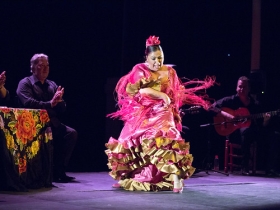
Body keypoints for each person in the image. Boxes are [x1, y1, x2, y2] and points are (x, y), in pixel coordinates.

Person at [105, 35, 215, 192]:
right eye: (154, 59)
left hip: (162, 112)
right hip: (144, 111)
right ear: (146, 58)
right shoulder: (140, 69)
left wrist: (174, 104)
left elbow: (176, 93)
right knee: (128, 138)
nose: (158, 62)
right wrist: (162, 95)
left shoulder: (170, 71)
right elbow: (142, 90)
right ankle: (125, 176)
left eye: (160, 58)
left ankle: (176, 177)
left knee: (165, 139)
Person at [16, 53, 78, 183]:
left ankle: (59, 171)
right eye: (41, 65)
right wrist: (50, 104)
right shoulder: (25, 83)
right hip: (32, 126)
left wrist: (59, 102)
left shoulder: (52, 85)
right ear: (33, 68)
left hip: (52, 123)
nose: (45, 68)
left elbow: (62, 108)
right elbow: (29, 103)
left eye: (47, 65)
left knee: (70, 133)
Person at [209, 76, 271, 175]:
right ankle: (244, 167)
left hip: (249, 134)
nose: (241, 89)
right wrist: (227, 115)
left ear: (249, 89)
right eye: (240, 87)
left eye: (244, 87)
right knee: (245, 132)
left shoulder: (255, 105)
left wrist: (266, 121)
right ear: (236, 88)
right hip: (233, 133)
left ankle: (269, 168)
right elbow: (211, 107)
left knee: (269, 134)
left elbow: (261, 125)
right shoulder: (230, 100)